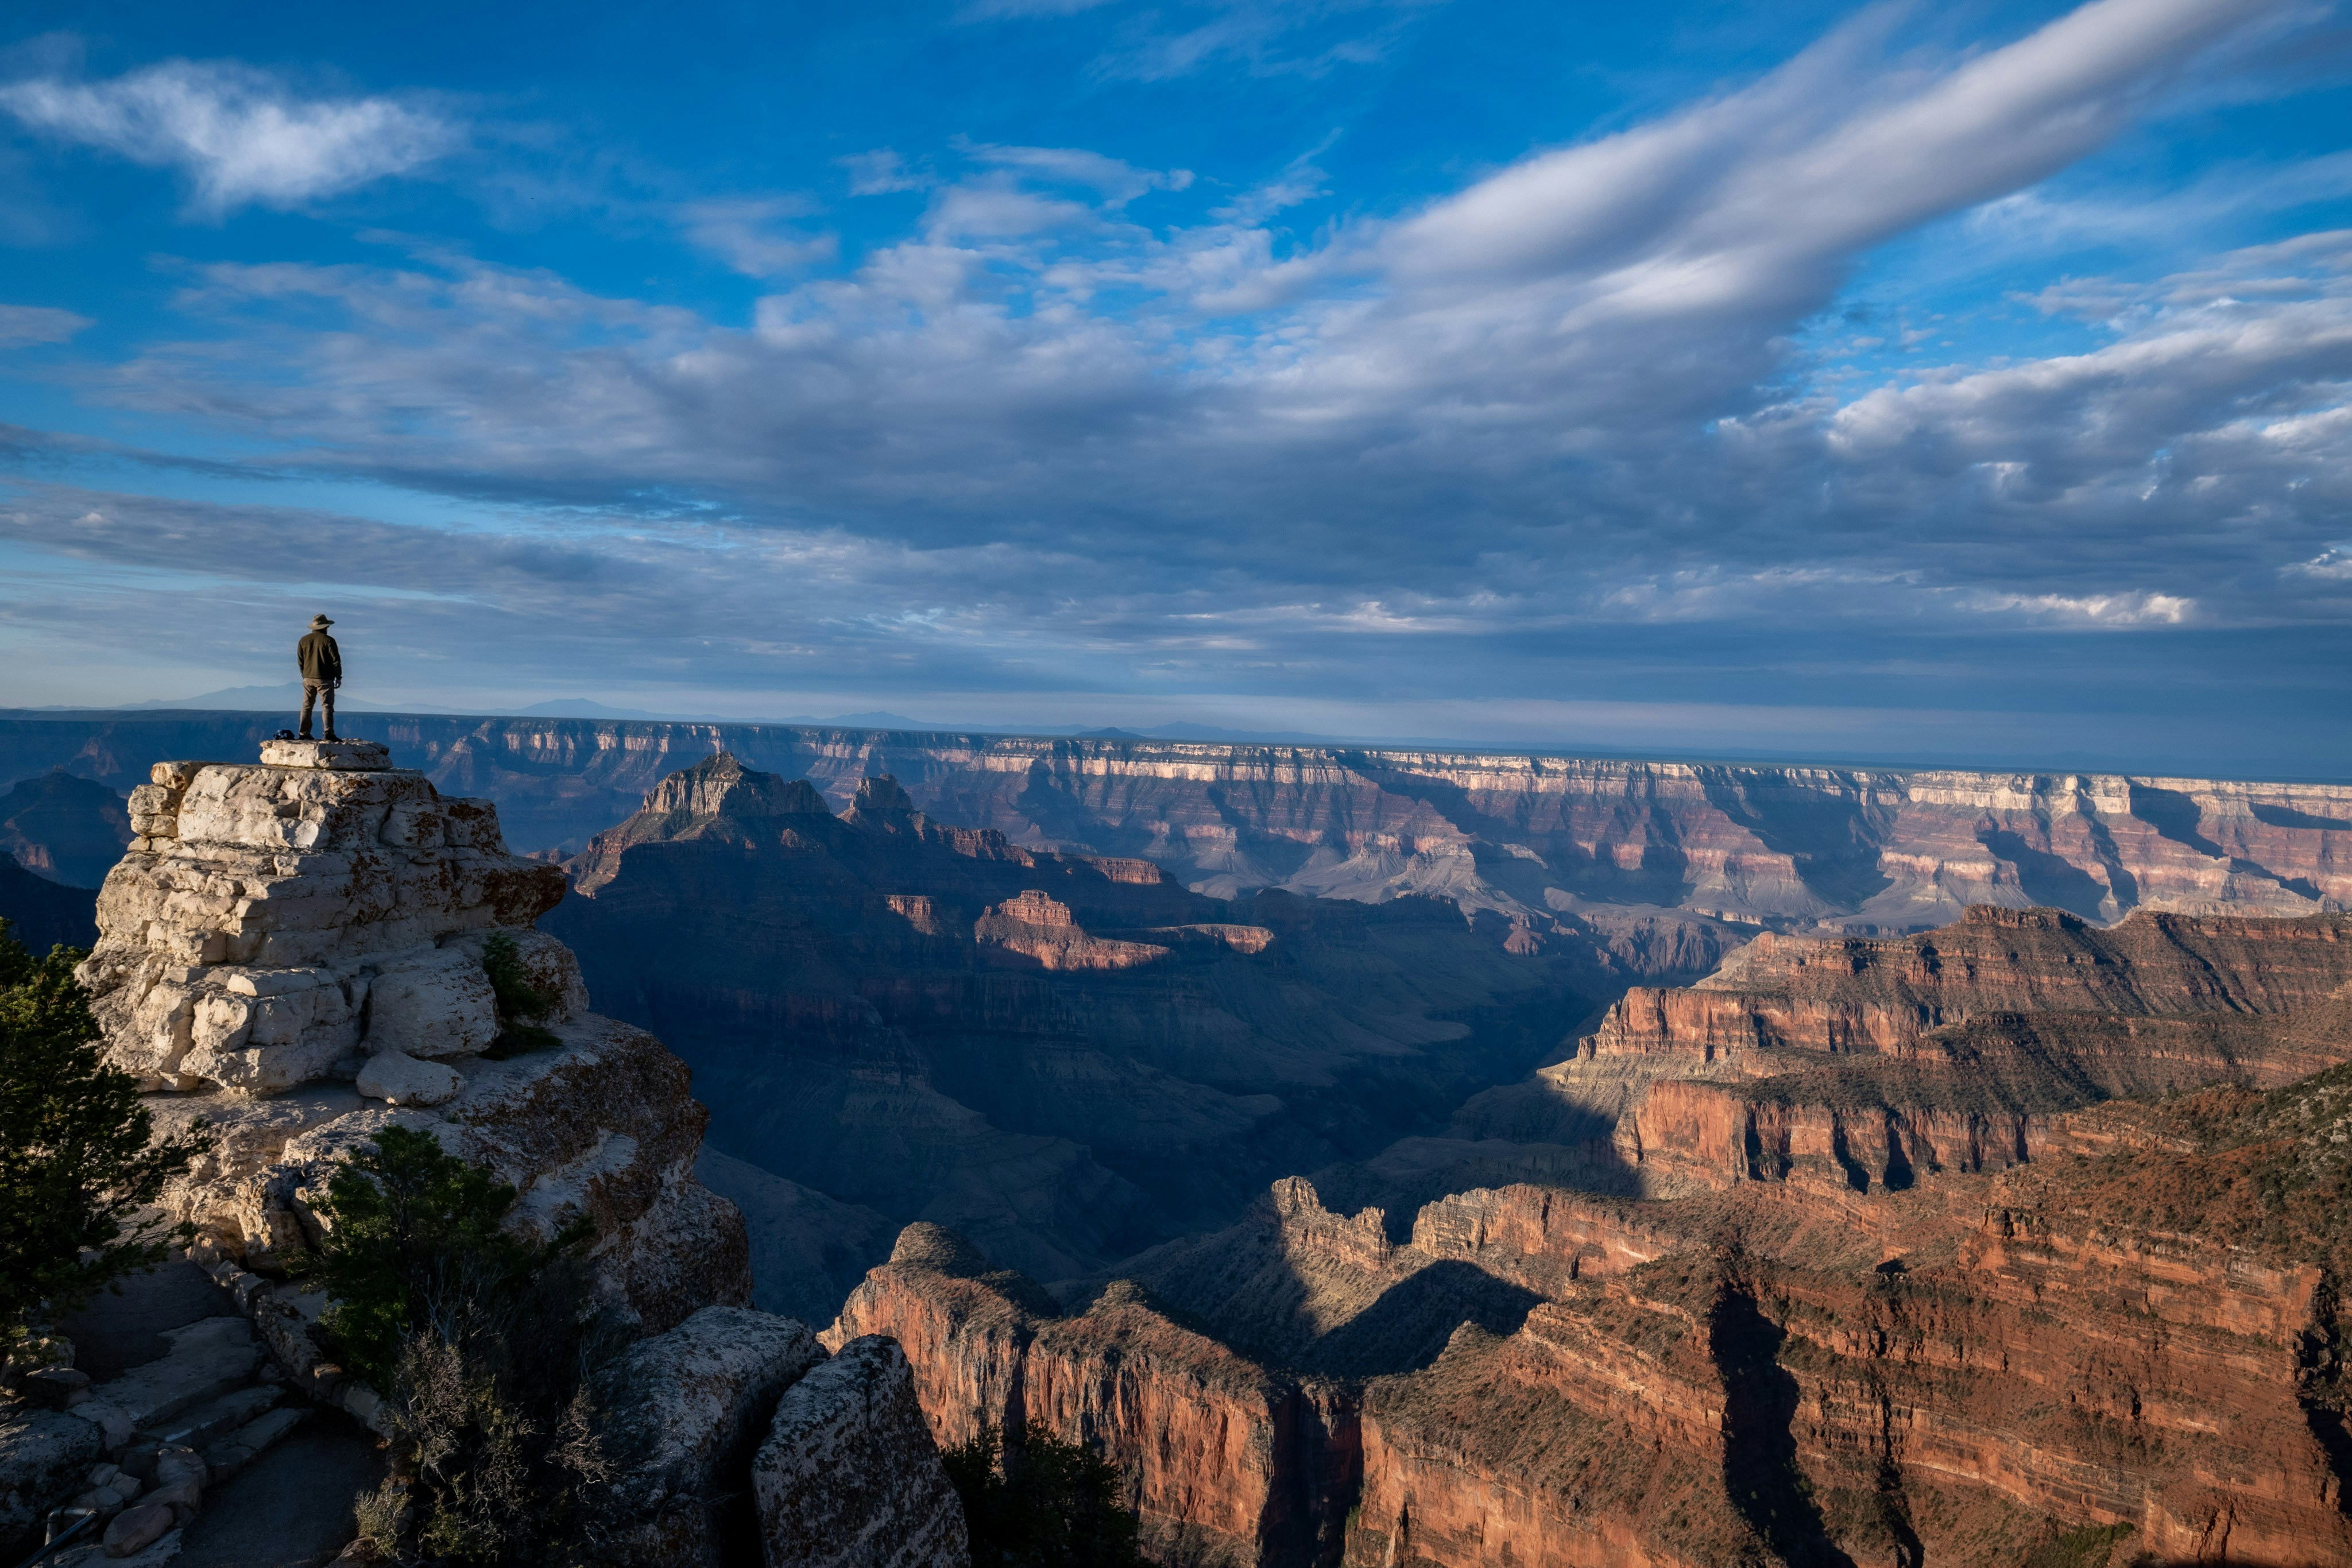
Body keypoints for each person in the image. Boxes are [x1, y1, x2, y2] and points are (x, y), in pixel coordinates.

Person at [297, 614, 342, 741]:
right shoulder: (328, 641)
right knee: (327, 705)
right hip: (325, 678)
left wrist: (304, 674)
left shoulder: (303, 640)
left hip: (307, 677)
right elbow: (336, 661)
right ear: (326, 627)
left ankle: (303, 733)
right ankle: (328, 733)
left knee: (307, 705)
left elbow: (300, 660)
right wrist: (338, 676)